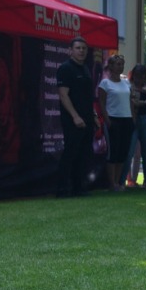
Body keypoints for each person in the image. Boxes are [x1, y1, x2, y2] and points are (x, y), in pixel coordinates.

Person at [53, 36, 96, 198]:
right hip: (73, 119)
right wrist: (75, 116)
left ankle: (79, 188)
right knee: (70, 154)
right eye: (78, 48)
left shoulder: (85, 68)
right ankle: (62, 190)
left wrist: (93, 116)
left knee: (83, 154)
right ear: (70, 50)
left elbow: (87, 96)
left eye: (84, 48)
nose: (81, 51)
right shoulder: (65, 68)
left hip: (87, 118)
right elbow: (63, 95)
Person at [97, 54, 133, 191]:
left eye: (122, 64)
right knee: (113, 152)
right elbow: (101, 102)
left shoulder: (126, 83)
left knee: (123, 152)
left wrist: (133, 118)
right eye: (118, 64)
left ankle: (118, 182)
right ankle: (111, 183)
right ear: (111, 66)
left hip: (127, 119)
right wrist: (107, 120)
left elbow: (130, 101)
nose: (120, 67)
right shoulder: (105, 83)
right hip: (113, 119)